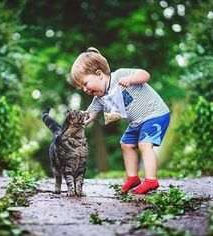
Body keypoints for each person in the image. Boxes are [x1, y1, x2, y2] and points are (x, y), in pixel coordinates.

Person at [69, 47, 170, 194]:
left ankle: (151, 180)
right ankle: (133, 178)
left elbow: (145, 74)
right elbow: (90, 114)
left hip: (154, 113)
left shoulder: (120, 75)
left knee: (144, 144)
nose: (84, 89)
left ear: (99, 74)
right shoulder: (99, 98)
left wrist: (131, 79)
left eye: (85, 84)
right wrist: (79, 122)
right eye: (81, 87)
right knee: (126, 144)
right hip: (137, 122)